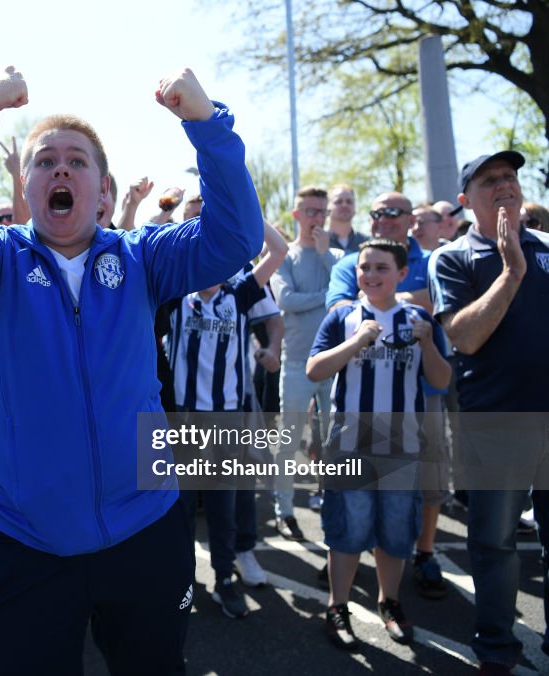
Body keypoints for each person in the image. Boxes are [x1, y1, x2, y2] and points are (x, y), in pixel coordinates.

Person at [0, 65, 262, 674]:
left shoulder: (145, 256)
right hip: (20, 536)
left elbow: (235, 237)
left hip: (143, 529)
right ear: (27, 190)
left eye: (77, 161)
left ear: (103, 192)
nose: (61, 168)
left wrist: (205, 123)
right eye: (45, 162)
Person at [428, 151, 549, 673]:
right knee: (495, 544)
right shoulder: (453, 258)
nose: (504, 186)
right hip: (495, 422)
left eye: (510, 177)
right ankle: (497, 649)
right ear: (465, 201)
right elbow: (465, 337)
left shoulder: (546, 250)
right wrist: (512, 272)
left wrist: (527, 258)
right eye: (489, 180)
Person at [307, 239, 450, 649]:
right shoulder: (343, 316)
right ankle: (338, 606)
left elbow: (441, 381)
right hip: (349, 443)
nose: (370, 275)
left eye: (381, 268)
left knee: (394, 532)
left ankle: (390, 602)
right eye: (364, 267)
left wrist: (426, 342)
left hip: (401, 446)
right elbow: (316, 369)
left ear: (402, 274)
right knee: (347, 530)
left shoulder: (419, 318)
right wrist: (355, 343)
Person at [167, 222, 287, 619]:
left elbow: (280, 250)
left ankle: (223, 579)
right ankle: (181, 581)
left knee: (223, 506)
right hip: (181, 420)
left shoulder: (240, 293)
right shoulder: (173, 294)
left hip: (227, 420)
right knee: (178, 510)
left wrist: (245, 210)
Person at [269, 186, 343, 540]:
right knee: (289, 439)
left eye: (321, 212)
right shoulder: (283, 255)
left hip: (333, 363)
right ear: (296, 214)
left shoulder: (336, 255)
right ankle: (284, 510)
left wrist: (328, 257)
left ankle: (331, 501)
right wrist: (328, 297)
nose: (317, 218)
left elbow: (349, 295)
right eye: (310, 211)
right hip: (297, 361)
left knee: (333, 440)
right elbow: (286, 299)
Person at [326, 184, 369, 252]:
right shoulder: (317, 242)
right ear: (327, 208)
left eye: (349, 202)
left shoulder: (367, 243)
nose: (344, 205)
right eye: (339, 201)